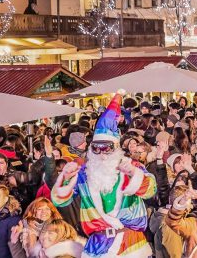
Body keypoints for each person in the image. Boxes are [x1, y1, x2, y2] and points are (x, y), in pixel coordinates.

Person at [51, 92, 157, 257]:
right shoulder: (84, 174)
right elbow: (60, 200)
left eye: (106, 147)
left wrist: (134, 174)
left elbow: (151, 190)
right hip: (98, 245)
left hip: (131, 243)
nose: (101, 153)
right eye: (96, 148)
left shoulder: (131, 167)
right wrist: (64, 179)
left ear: (116, 147)